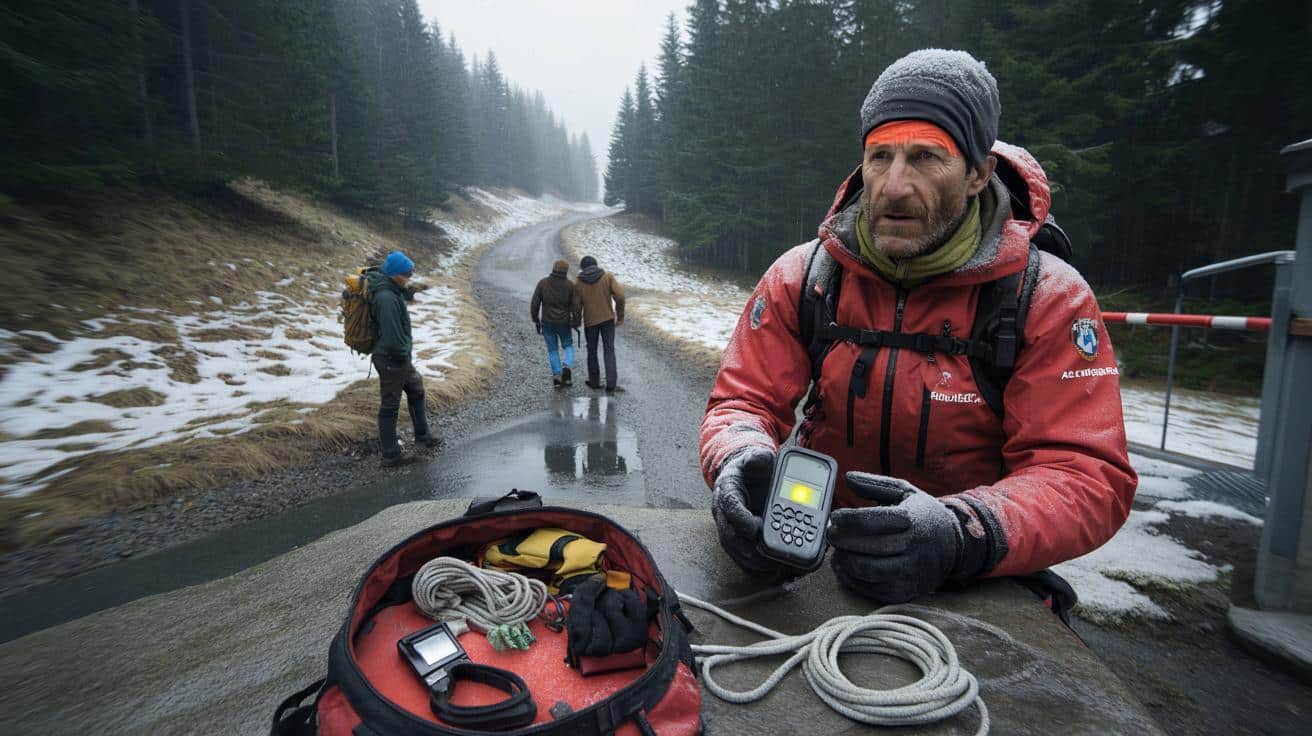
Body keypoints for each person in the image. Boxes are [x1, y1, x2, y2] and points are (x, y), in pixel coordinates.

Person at [700, 49, 1137, 603]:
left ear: (978, 173)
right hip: (823, 559)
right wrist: (738, 461)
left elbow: (1083, 474)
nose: (894, 186)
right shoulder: (805, 276)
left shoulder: (1047, 297)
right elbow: (740, 404)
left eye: (926, 158)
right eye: (879, 157)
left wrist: (963, 532)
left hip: (969, 574)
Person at [367, 250, 438, 467]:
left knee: (416, 389)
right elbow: (392, 337)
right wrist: (402, 353)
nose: (409, 277)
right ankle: (390, 454)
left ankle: (423, 436)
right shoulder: (386, 297)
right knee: (390, 404)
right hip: (391, 358)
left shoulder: (393, 289)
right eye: (406, 273)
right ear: (395, 273)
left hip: (399, 358)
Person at [574, 255, 627, 393]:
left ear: (582, 267)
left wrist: (576, 321)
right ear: (596, 264)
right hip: (607, 320)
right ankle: (611, 384)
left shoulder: (579, 282)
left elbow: (576, 305)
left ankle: (594, 382)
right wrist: (620, 315)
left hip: (590, 321)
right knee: (609, 350)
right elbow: (620, 296)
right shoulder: (607, 276)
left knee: (592, 351)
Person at [530, 259, 582, 388]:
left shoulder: (543, 283)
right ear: (566, 271)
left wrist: (535, 319)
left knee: (552, 350)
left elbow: (535, 303)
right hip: (564, 322)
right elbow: (576, 306)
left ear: (553, 268)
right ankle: (567, 366)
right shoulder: (570, 285)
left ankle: (557, 376)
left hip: (547, 322)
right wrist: (576, 322)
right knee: (568, 346)